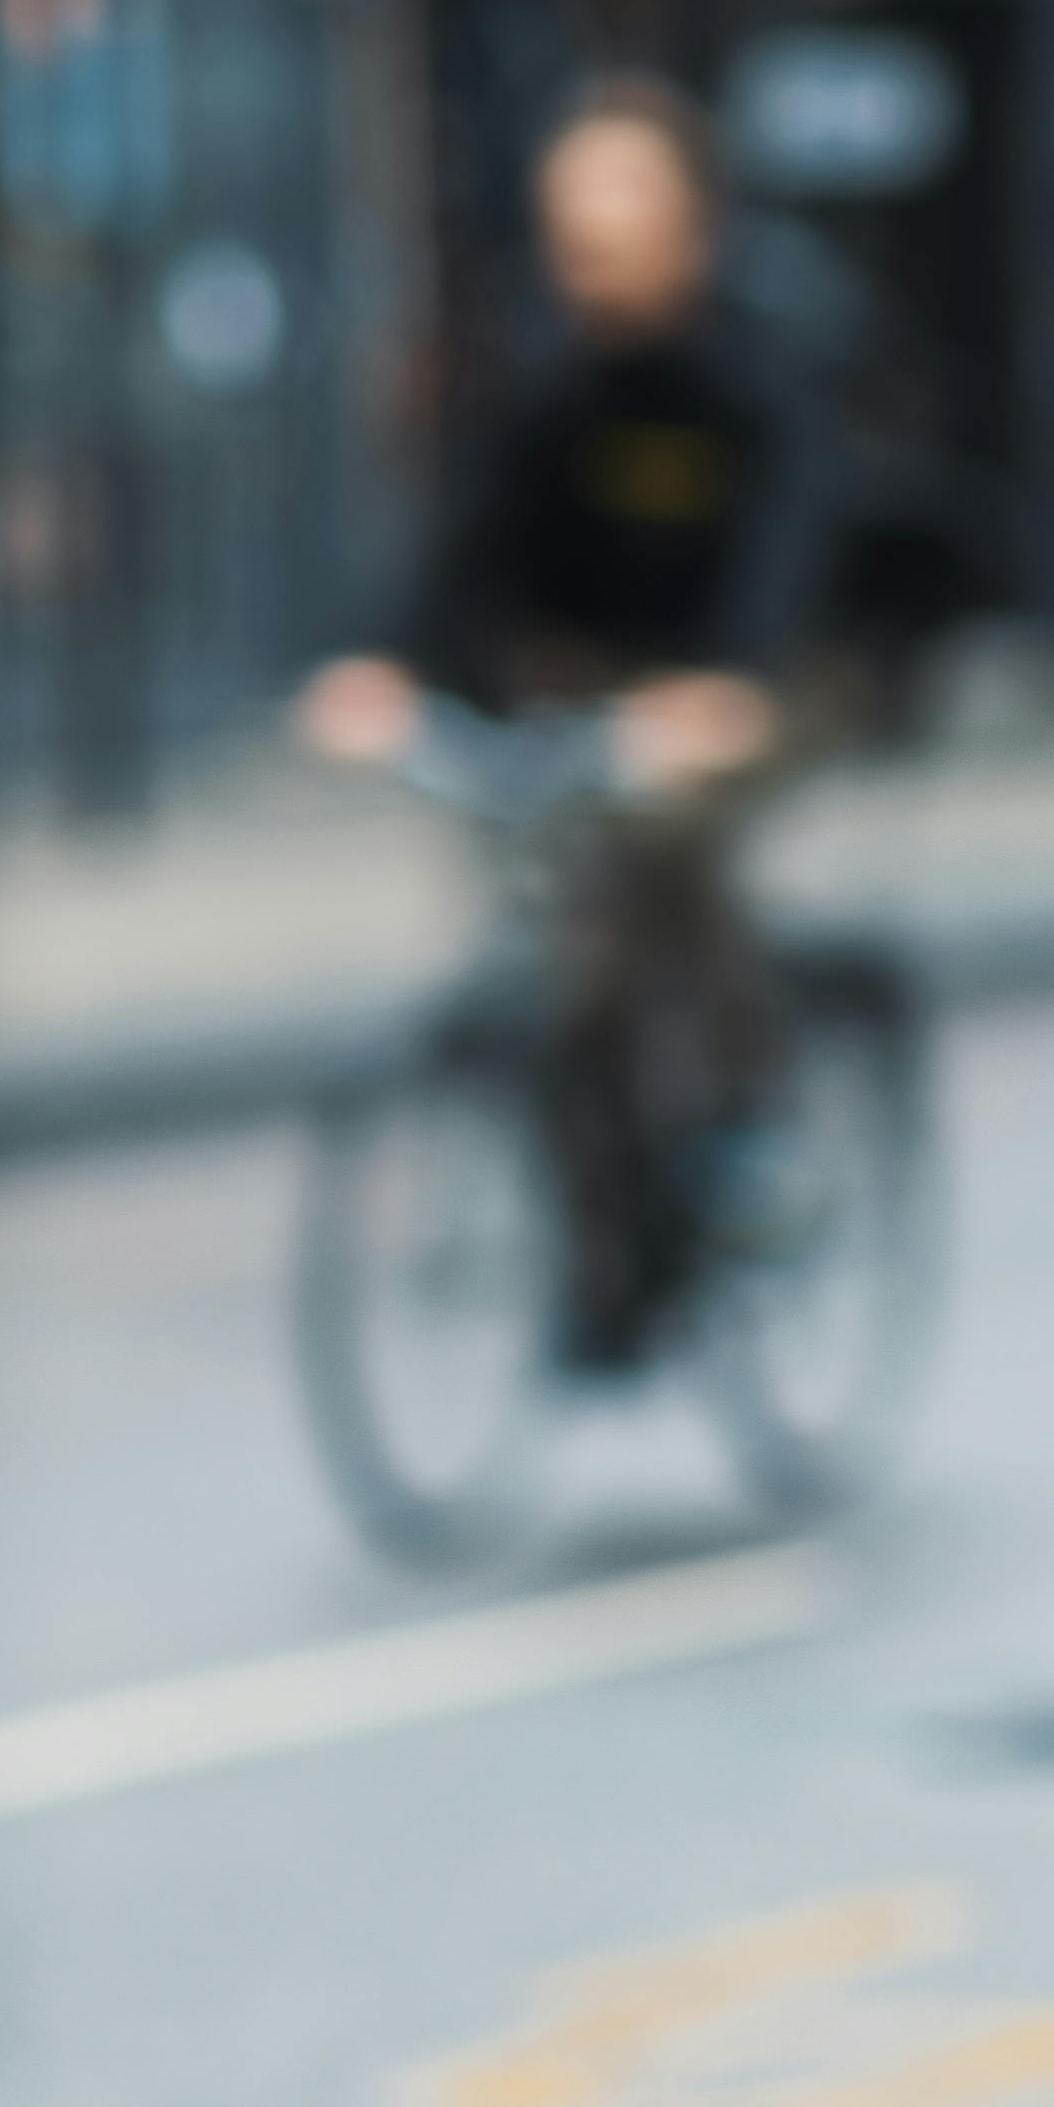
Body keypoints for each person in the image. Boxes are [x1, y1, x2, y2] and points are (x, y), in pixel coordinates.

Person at [307, 81, 842, 1267]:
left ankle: (748, 1114)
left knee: (675, 836)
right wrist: (389, 668)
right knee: (556, 911)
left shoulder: (759, 366)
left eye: (623, 214)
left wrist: (733, 679)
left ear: (693, 222)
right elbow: (469, 540)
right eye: (574, 224)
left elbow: (794, 529)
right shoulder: (552, 377)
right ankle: (609, 1231)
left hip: (776, 672)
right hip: (601, 679)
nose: (593, 252)